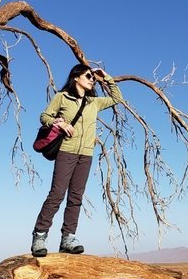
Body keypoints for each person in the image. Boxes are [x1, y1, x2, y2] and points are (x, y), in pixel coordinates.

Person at [31, 64, 123, 257]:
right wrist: (59, 122)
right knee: (57, 194)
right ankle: (40, 236)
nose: (91, 79)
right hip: (66, 151)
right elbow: (44, 116)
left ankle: (68, 238)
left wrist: (105, 77)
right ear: (76, 77)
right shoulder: (61, 97)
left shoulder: (94, 102)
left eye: (93, 77)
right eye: (88, 76)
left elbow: (117, 98)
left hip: (86, 154)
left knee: (76, 198)